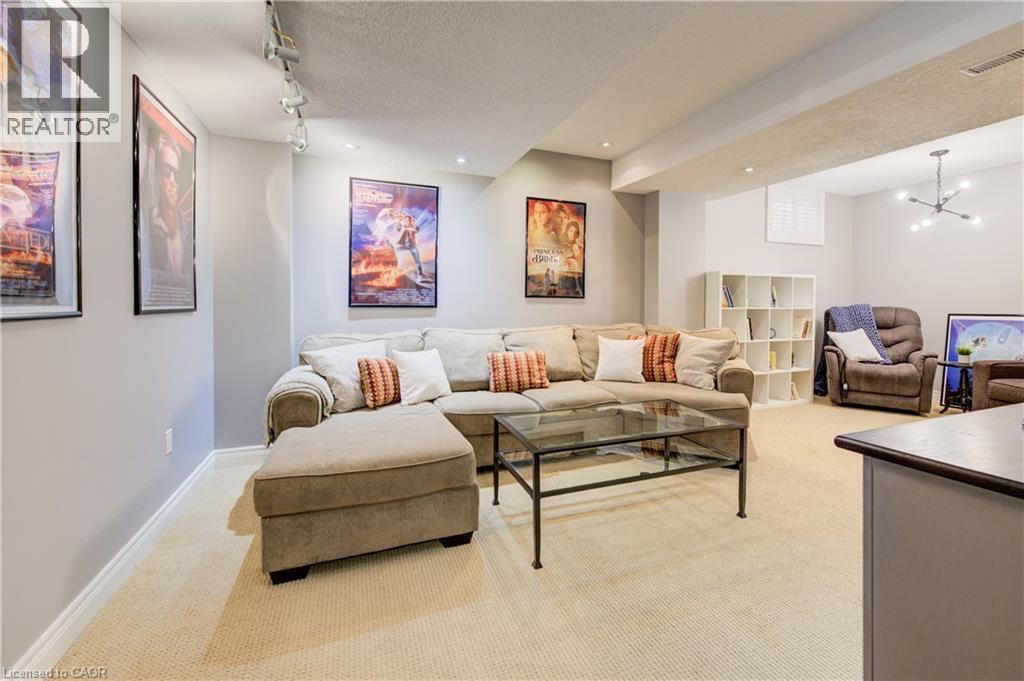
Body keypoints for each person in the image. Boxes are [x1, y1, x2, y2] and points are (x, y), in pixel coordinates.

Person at [146, 133, 191, 277]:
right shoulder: (150, 223)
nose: (172, 182)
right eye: (166, 172)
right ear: (157, 177)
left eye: (175, 175)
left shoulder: (185, 226)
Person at [395, 213, 424, 278]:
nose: (407, 221)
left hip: (412, 245)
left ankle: (420, 275)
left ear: (411, 221)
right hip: (404, 244)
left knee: (417, 259)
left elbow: (417, 230)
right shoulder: (403, 226)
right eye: (406, 220)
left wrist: (408, 228)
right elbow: (397, 229)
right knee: (395, 250)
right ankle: (398, 266)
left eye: (409, 220)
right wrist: (398, 222)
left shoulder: (414, 226)